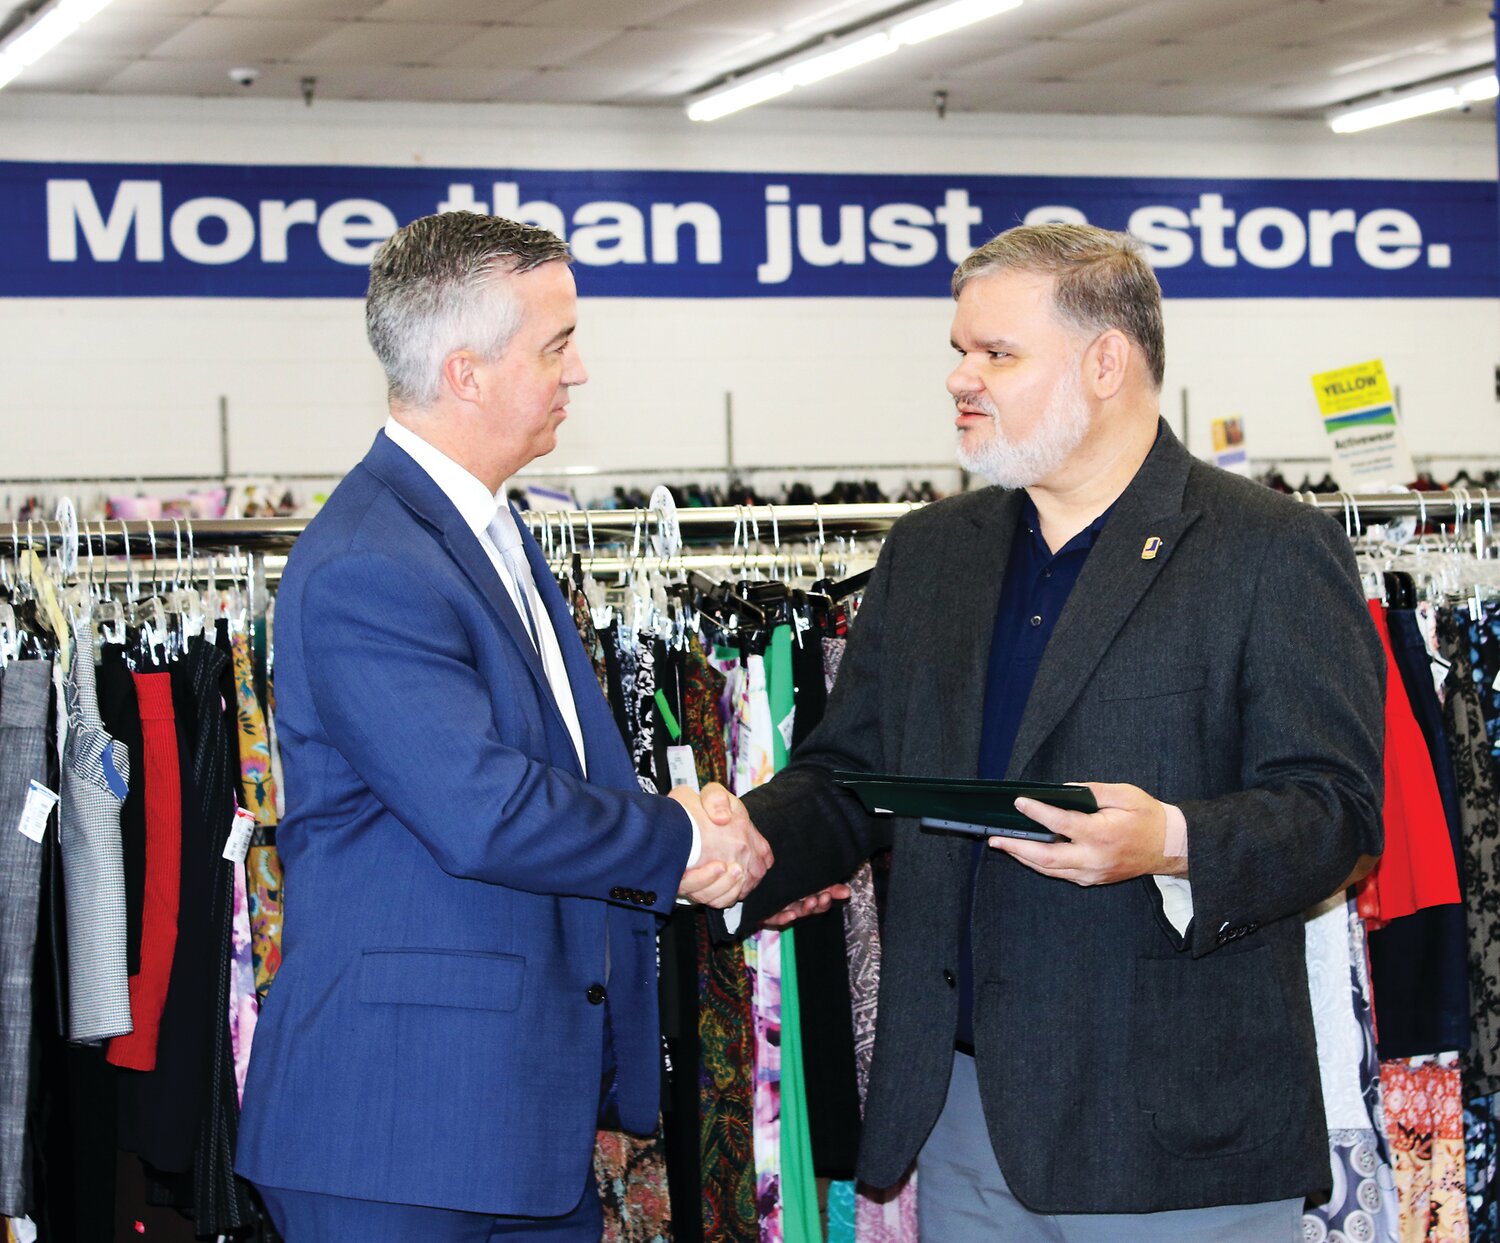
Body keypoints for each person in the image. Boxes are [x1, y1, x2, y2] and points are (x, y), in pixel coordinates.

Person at [719, 222, 1385, 1241]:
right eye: (958, 349)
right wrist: (736, 842)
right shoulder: (933, 552)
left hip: (1173, 1137)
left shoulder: (1269, 550)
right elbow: (851, 772)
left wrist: (1170, 841)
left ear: (1106, 361)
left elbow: (1334, 814)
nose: (960, 377)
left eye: (997, 353)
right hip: (960, 1119)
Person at [235, 211, 770, 1241]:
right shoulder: (368, 562)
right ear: (468, 371)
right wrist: (683, 843)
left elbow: (557, 764)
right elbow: (482, 807)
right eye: (557, 342)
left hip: (513, 1126)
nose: (580, 372)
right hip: (402, 1129)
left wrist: (673, 812)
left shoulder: (485, 528)